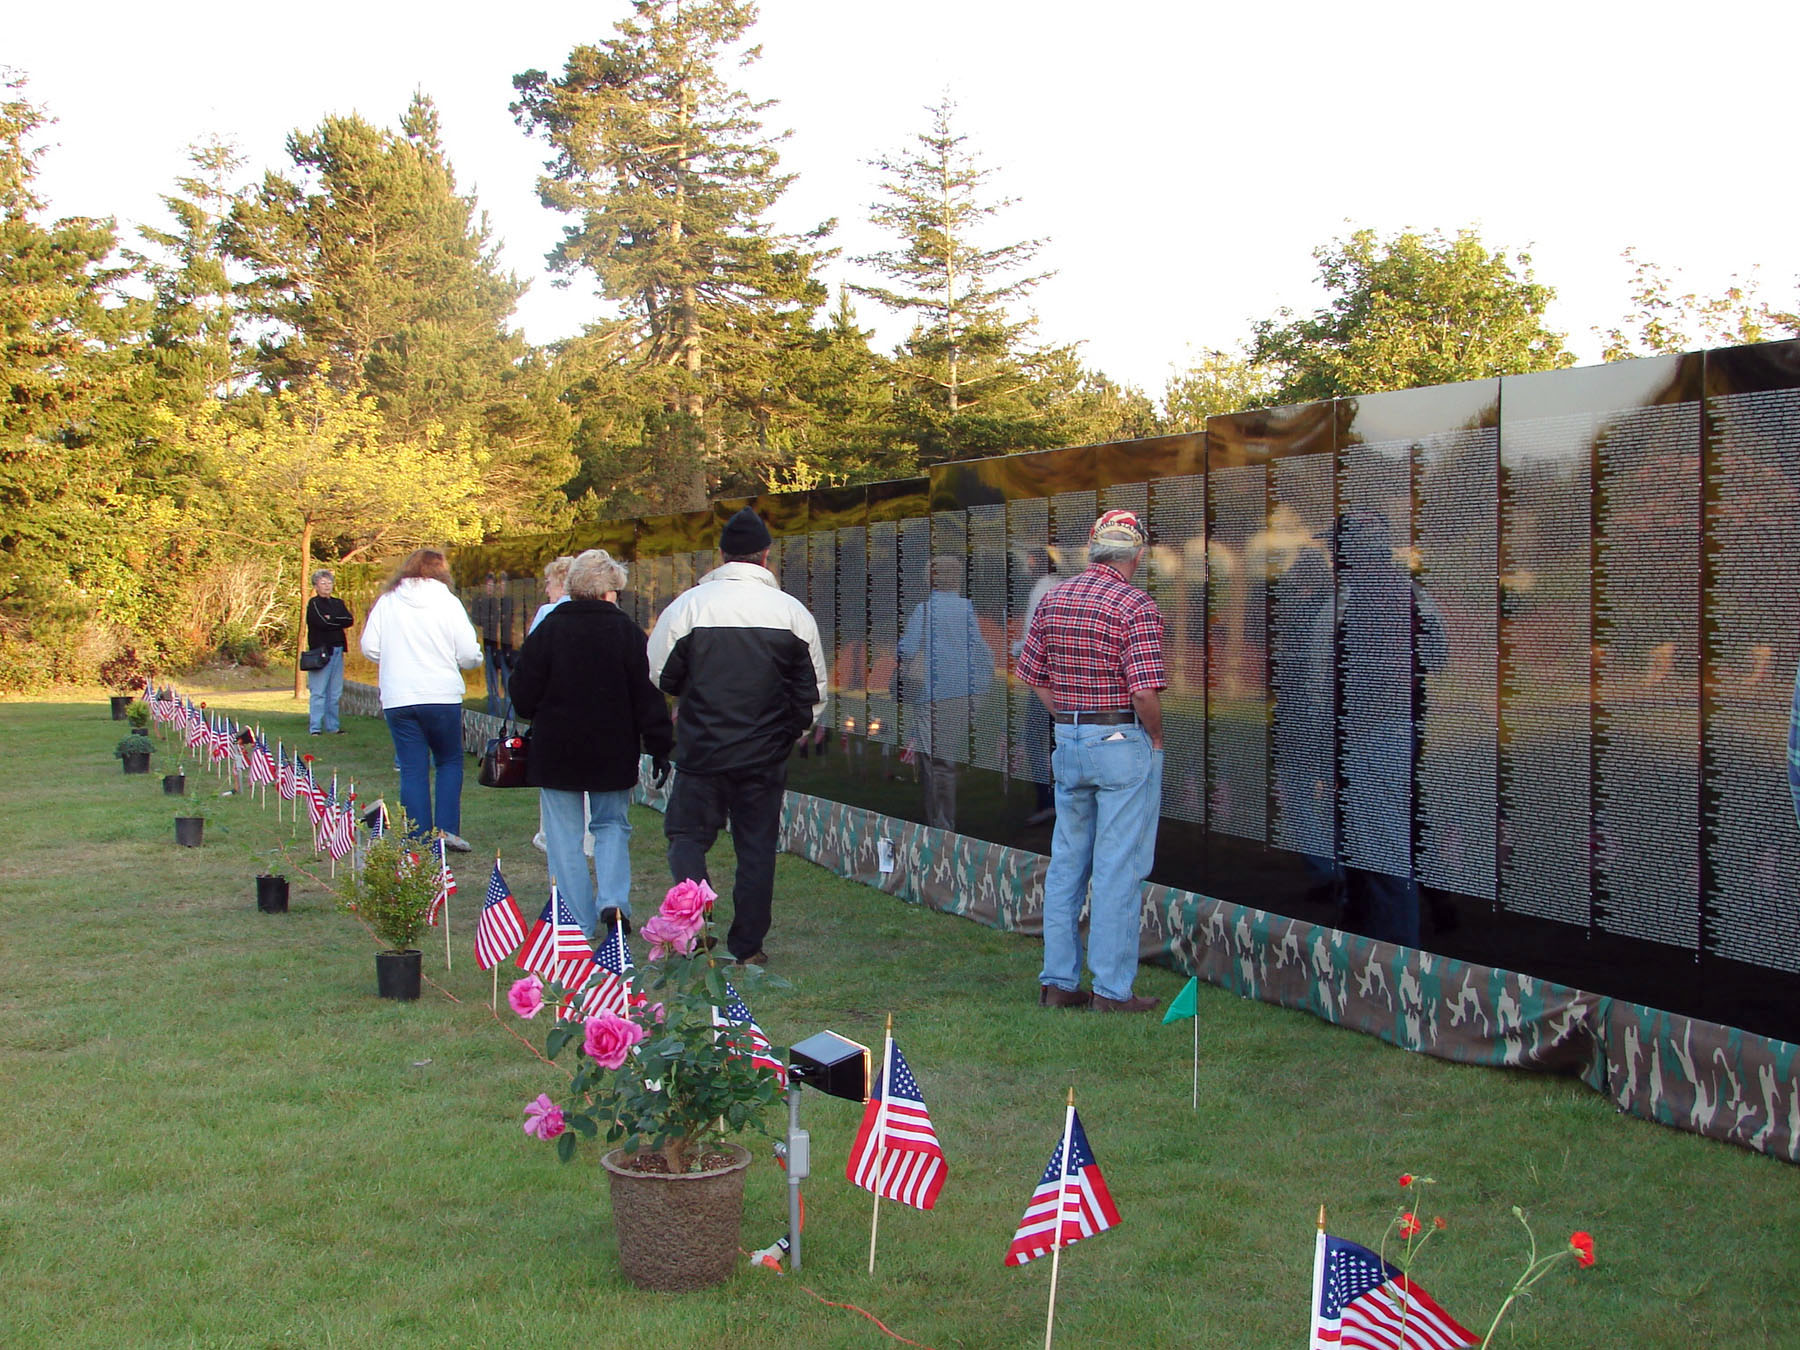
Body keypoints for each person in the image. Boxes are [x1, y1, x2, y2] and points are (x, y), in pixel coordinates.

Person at [648, 507, 827, 967]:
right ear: (765, 556)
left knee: (687, 837)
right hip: (762, 756)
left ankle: (695, 928)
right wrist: (784, 736)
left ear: (722, 555)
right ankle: (748, 947)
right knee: (756, 849)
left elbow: (662, 675)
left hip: (702, 751)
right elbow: (811, 696)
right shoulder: (792, 613)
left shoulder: (689, 607)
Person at [1016, 509, 1167, 1013]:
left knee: (1066, 866)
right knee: (1116, 869)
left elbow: (1033, 674)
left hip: (1071, 738)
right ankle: (1111, 990)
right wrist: (1157, 739)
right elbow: (1144, 691)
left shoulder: (1055, 597)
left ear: (1093, 548)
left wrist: (1070, 716)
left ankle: (1058, 983)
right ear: (1136, 554)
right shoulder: (1135, 604)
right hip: (1121, 739)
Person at [509, 550, 674, 940]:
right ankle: (613, 900)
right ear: (610, 591)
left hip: (558, 746)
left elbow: (523, 694)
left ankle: (576, 919)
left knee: (564, 835)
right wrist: (660, 745)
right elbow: (647, 696)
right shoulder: (627, 633)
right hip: (611, 745)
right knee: (612, 824)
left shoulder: (548, 630)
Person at [359, 548, 482, 851]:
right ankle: (447, 831)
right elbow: (467, 653)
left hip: (398, 695)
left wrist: (393, 658)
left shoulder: (388, 602)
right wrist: (471, 660)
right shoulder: (448, 603)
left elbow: (369, 646)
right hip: (440, 694)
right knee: (449, 761)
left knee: (413, 768)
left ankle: (416, 834)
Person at [897, 554, 994, 831]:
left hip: (932, 694)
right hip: (963, 693)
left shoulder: (924, 610)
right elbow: (982, 651)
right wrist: (983, 688)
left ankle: (939, 824)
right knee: (947, 759)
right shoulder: (967, 608)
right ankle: (943, 820)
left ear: (931, 579)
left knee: (934, 762)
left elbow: (907, 649)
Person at [304, 569, 355, 735]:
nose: (327, 586)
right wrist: (334, 621)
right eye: (323, 583)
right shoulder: (314, 604)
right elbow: (320, 622)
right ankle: (315, 728)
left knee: (335, 692)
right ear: (316, 586)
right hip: (321, 652)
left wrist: (331, 619)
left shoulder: (338, 603)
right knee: (319, 692)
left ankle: (333, 727)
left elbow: (348, 620)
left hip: (338, 649)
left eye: (329, 583)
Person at [472, 572, 515, 716]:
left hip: (505, 646)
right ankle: (493, 715)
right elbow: (479, 620)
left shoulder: (508, 602)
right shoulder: (487, 603)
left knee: (507, 683)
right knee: (492, 683)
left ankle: (509, 717)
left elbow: (509, 622)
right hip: (491, 645)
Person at [529, 556, 576, 634]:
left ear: (562, 583)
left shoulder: (546, 612)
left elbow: (532, 645)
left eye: (549, 583)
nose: (546, 590)